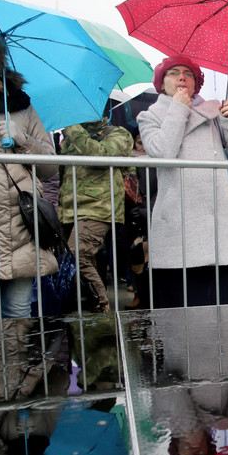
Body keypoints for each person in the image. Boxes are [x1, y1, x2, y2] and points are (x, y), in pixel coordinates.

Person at [137, 55, 228, 308]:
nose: (181, 77)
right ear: (161, 82)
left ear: (196, 83)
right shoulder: (150, 116)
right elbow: (162, 152)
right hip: (179, 226)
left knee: (221, 311)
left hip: (219, 224)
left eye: (188, 74)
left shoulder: (213, 112)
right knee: (182, 316)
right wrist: (178, 108)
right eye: (173, 73)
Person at [0, 38, 58, 318]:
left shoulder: (19, 103)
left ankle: (16, 363)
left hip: (19, 224)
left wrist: (21, 139)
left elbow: (49, 167)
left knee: (17, 309)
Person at [57, 120, 133, 312]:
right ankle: (90, 316)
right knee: (80, 262)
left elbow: (100, 154)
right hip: (69, 209)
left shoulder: (118, 133)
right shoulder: (70, 136)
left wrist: (72, 129)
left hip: (98, 208)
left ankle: (102, 308)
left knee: (77, 255)